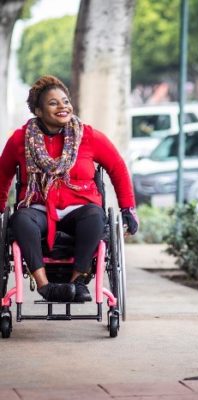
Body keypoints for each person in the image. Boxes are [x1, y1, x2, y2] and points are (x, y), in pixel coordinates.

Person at [0, 75, 139, 303]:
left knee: (96, 216)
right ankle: (46, 286)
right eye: (53, 103)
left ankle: (77, 282)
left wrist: (128, 209)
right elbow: (3, 174)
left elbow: (118, 168)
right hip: (39, 208)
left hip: (81, 209)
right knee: (21, 220)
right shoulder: (20, 140)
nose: (63, 107)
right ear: (38, 111)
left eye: (65, 101)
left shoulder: (89, 136)